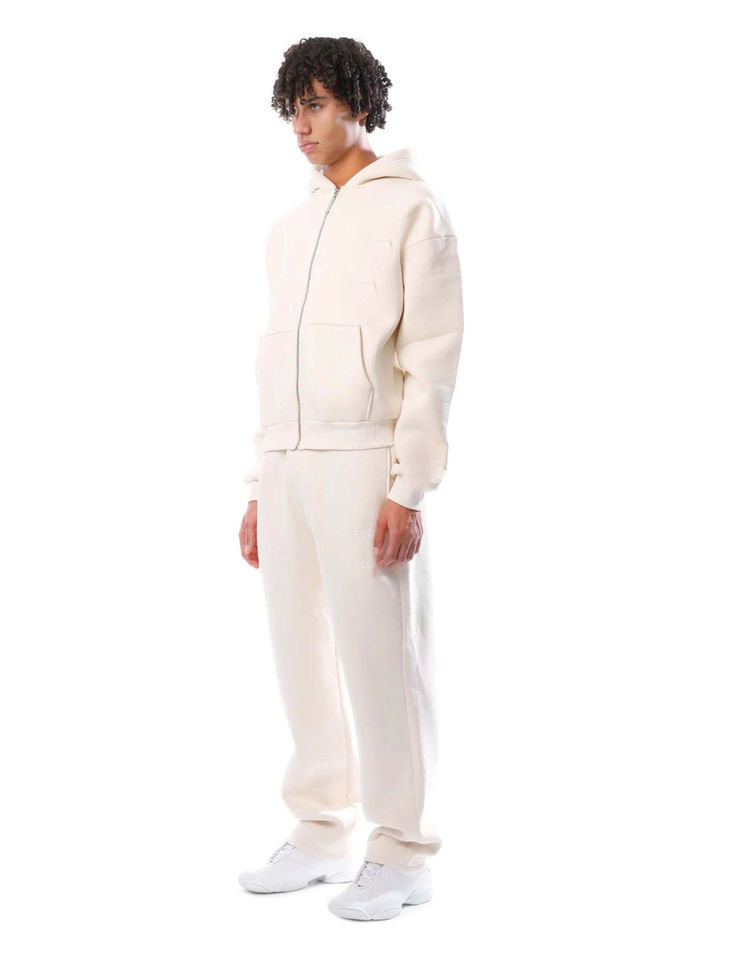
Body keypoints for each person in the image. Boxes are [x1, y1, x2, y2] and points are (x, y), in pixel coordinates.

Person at [237, 36, 464, 922]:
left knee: (381, 657)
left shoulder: (412, 209)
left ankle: (403, 852)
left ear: (361, 105)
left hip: (366, 458)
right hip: (289, 463)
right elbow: (276, 360)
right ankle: (320, 832)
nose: (302, 125)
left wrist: (410, 488)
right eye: (293, 108)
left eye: (319, 105)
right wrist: (258, 484)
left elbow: (432, 357)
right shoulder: (289, 229)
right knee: (300, 651)